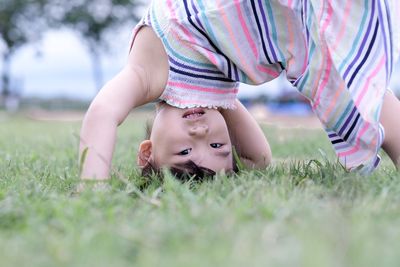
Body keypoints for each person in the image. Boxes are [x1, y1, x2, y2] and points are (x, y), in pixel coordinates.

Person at [79, 0, 400, 180]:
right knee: (345, 83)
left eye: (185, 151)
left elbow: (103, 113)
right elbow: (258, 159)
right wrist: (223, 112)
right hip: (288, 25)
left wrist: (91, 189)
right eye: (217, 144)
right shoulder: (218, 101)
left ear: (147, 152)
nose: (201, 131)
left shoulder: (146, 76)